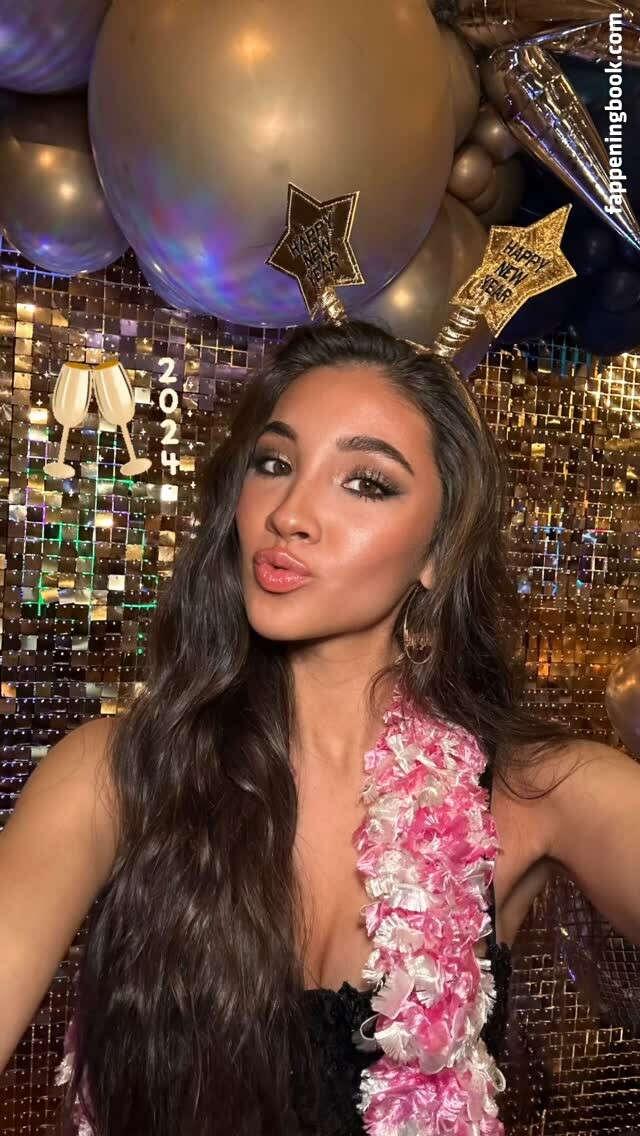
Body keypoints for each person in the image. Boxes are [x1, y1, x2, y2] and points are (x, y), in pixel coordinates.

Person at [1, 320, 639, 1136]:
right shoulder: (113, 774)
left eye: (366, 482)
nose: (291, 513)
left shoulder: (533, 793)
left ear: (438, 550)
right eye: (274, 464)